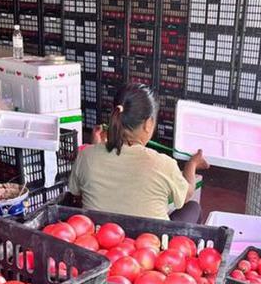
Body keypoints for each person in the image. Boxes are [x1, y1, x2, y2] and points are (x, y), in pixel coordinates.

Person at [68, 84, 209, 223]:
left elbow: (76, 192)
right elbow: (187, 194)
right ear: (148, 123)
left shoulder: (86, 156)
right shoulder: (163, 164)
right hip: (148, 241)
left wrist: (96, 147)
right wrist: (192, 164)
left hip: (101, 238)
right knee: (193, 208)